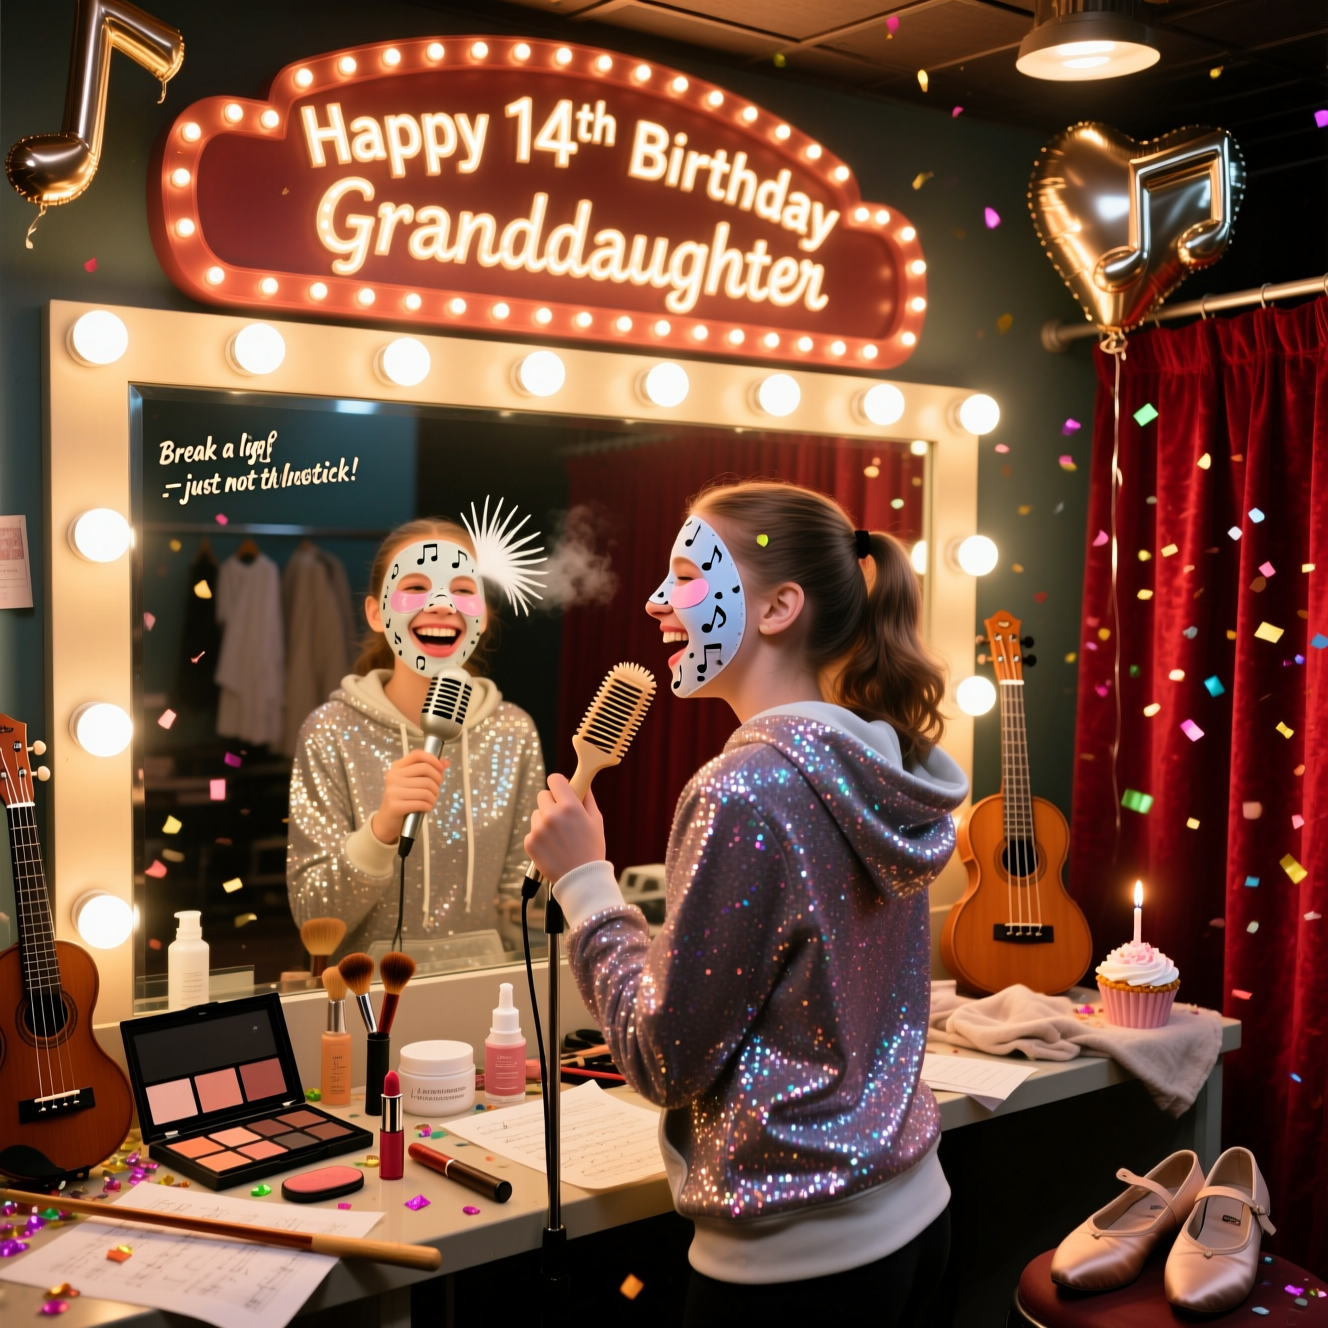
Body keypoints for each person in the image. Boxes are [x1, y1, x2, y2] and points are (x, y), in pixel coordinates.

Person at [525, 481, 967, 1323]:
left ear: (778, 607)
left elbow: (664, 1059)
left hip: (796, 1267)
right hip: (916, 1217)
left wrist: (586, 885)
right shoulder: (877, 763)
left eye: (688, 575)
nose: (657, 602)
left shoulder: (747, 788)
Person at [288, 506, 546, 954]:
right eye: (415, 587)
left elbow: (522, 905)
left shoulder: (513, 731)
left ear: (481, 614)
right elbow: (314, 915)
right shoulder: (328, 731)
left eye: (462, 589)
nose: (441, 605)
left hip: (487, 1000)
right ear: (375, 612)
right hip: (365, 1002)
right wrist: (382, 830)